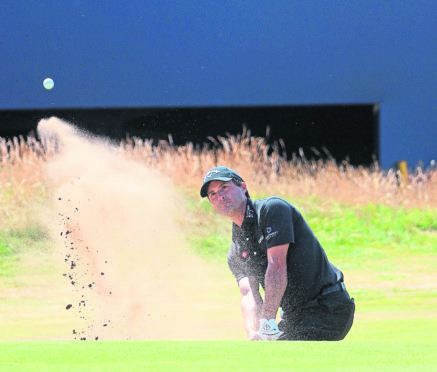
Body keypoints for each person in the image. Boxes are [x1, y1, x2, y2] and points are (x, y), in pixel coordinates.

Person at [200, 166, 355, 341]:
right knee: (266, 355)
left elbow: (277, 265)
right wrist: (254, 332)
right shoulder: (235, 251)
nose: (219, 196)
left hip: (327, 307)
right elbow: (249, 294)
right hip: (293, 317)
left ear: (243, 187)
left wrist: (267, 320)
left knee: (284, 358)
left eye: (224, 188)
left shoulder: (272, 210)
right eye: (212, 194)